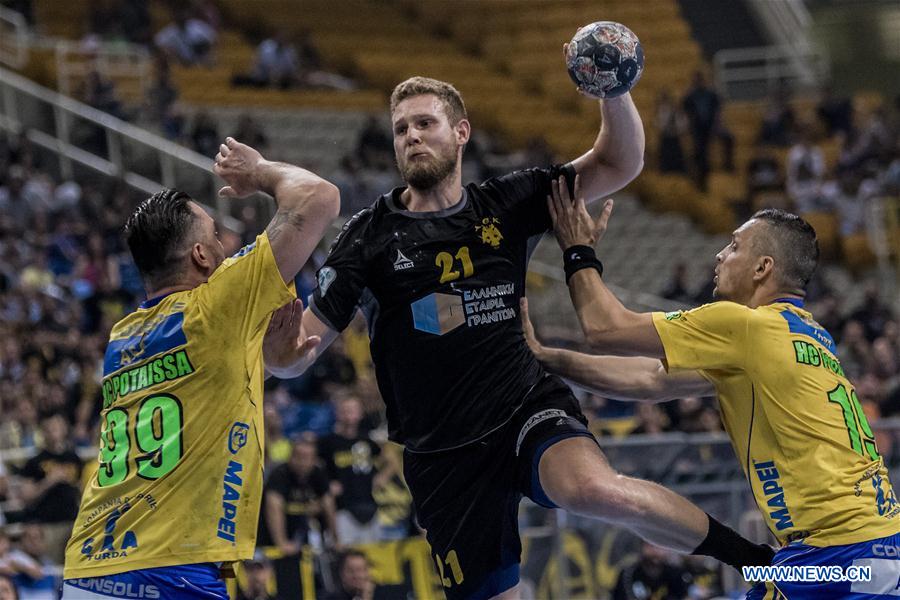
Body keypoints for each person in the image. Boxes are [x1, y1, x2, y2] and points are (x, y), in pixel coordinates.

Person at [262, 74, 772, 600]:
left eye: (424, 123)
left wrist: (615, 88)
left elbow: (619, 162)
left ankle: (760, 564)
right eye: (400, 129)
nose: (410, 136)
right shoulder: (368, 235)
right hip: (441, 452)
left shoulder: (507, 202)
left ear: (460, 132)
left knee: (594, 489)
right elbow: (297, 354)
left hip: (522, 405)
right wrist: (282, 355)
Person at [522, 184, 900, 598]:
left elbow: (604, 327)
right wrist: (547, 356)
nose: (720, 255)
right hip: (878, 547)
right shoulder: (807, 336)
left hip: (835, 555)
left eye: (734, 246)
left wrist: (576, 249)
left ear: (762, 268)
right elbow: (647, 380)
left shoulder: (746, 326)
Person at [61, 137, 340, 598]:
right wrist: (260, 172)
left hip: (90, 564)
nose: (225, 244)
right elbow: (319, 198)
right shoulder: (214, 306)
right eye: (216, 234)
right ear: (201, 257)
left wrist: (272, 359)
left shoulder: (125, 336)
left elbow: (216, 384)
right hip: (167, 568)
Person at [318, 396, 383, 545]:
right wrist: (327, 484)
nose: (349, 414)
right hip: (342, 509)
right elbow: (315, 465)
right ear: (338, 413)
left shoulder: (367, 440)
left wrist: (381, 478)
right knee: (344, 553)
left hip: (370, 504)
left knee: (373, 555)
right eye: (344, 410)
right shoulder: (328, 442)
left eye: (352, 410)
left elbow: (388, 457)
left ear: (360, 413)